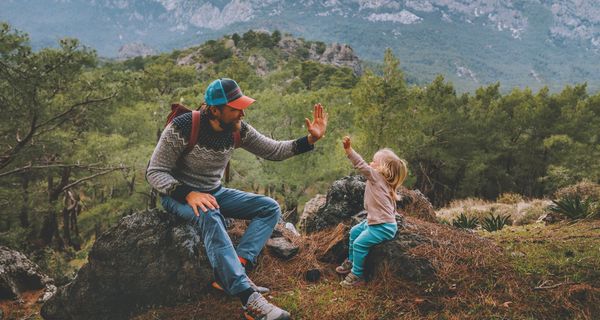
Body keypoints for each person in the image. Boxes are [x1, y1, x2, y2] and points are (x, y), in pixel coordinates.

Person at [146, 78, 328, 320]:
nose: (242, 112)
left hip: (214, 191)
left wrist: (310, 140)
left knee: (269, 208)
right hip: (178, 196)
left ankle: (236, 268)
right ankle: (248, 299)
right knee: (210, 214)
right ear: (214, 110)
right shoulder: (183, 127)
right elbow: (155, 172)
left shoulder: (237, 130)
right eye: (235, 108)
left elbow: (273, 150)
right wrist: (188, 193)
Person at [335, 136, 408, 287]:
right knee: (354, 232)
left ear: (383, 168)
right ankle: (352, 260)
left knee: (360, 244)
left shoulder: (376, 177)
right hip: (375, 222)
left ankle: (357, 275)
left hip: (382, 226)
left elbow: (361, 165)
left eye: (374, 162)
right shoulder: (385, 182)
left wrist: (349, 150)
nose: (370, 163)